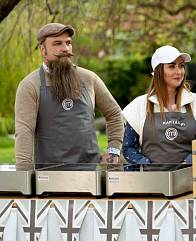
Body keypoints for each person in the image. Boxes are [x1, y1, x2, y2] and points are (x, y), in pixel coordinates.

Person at [14, 23, 124, 165]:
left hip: (90, 172)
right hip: (49, 174)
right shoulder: (30, 85)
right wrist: (25, 177)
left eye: (68, 43)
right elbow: (24, 132)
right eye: (57, 43)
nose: (65, 48)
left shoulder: (89, 78)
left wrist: (114, 151)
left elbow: (114, 114)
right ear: (43, 50)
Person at [122, 45, 196, 164]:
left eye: (181, 66)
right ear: (158, 71)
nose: (179, 71)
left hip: (191, 177)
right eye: (171, 66)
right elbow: (129, 148)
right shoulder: (139, 106)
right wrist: (147, 164)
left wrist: (188, 162)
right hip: (151, 178)